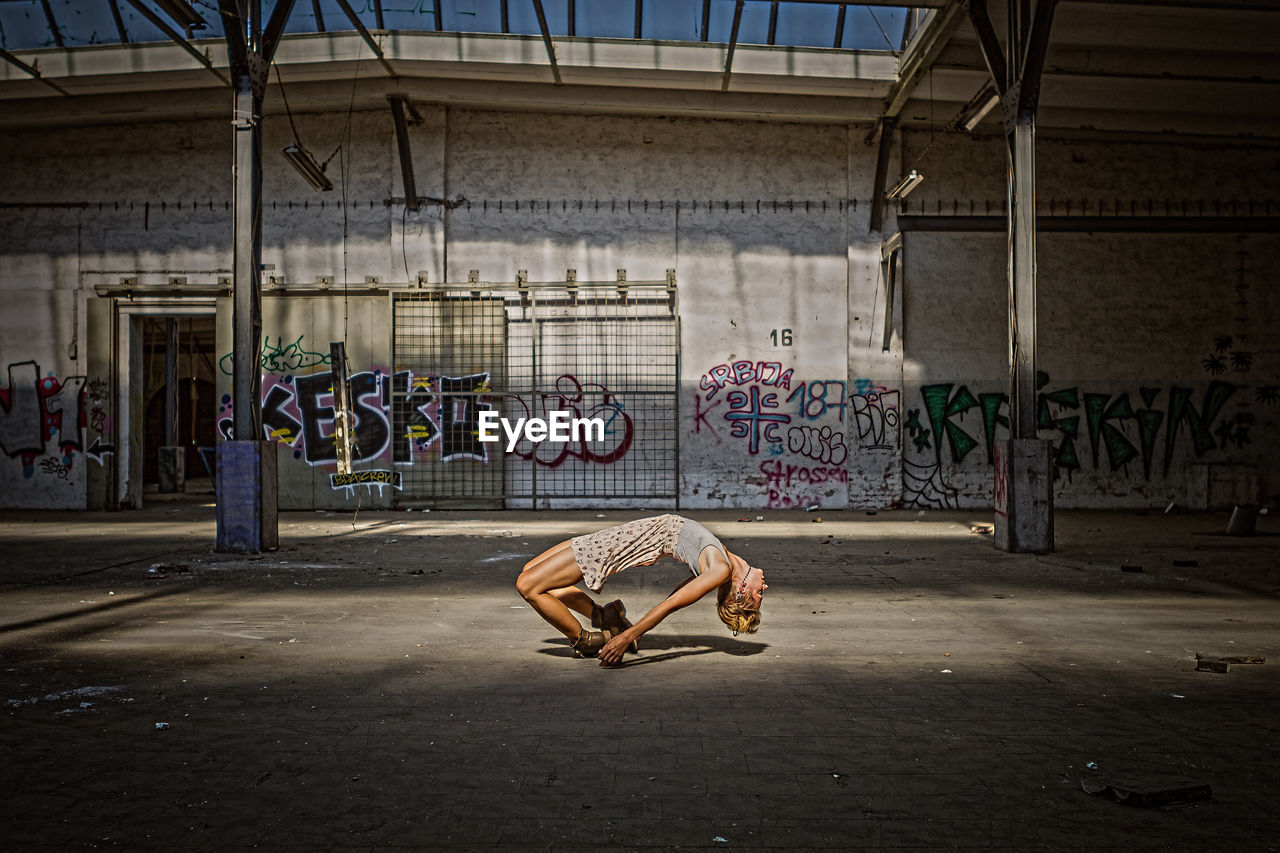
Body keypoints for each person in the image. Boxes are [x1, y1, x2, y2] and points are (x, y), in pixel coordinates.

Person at [515, 514, 766, 666]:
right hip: (621, 535)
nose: (764, 587)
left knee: (528, 586)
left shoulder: (719, 570)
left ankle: (587, 641)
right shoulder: (728, 562)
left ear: (742, 590)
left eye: (760, 595)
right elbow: (677, 595)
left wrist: (627, 638)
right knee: (529, 570)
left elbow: (670, 605)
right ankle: (604, 617)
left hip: (614, 546)